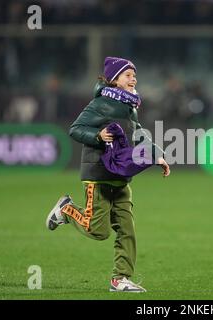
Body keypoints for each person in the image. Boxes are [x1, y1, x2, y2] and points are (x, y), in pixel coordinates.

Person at [45, 57, 170, 293]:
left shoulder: (129, 106)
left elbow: (139, 134)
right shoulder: (101, 104)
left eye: (134, 75)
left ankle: (120, 279)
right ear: (114, 80)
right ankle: (66, 209)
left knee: (127, 229)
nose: (133, 78)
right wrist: (98, 136)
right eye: (128, 75)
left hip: (121, 178)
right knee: (98, 231)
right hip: (99, 175)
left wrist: (157, 156)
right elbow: (75, 129)